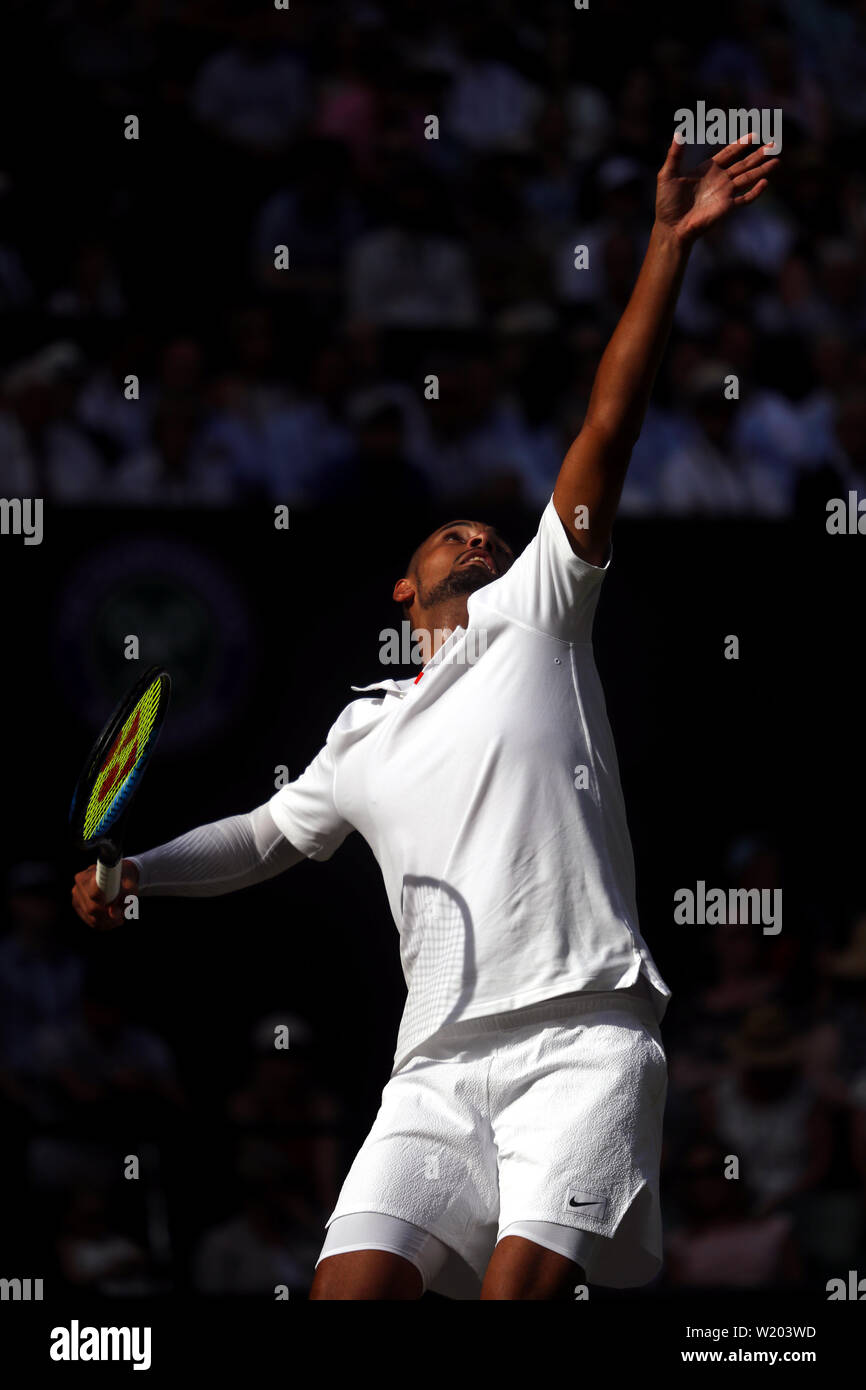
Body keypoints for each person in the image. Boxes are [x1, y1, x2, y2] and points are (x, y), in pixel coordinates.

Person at [72, 133, 779, 1300]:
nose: (480, 538)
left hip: (581, 1038)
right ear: (403, 587)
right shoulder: (358, 733)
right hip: (433, 1072)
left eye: (490, 535)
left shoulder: (539, 614)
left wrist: (661, 245)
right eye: (453, 533)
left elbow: (607, 425)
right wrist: (138, 870)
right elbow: (260, 838)